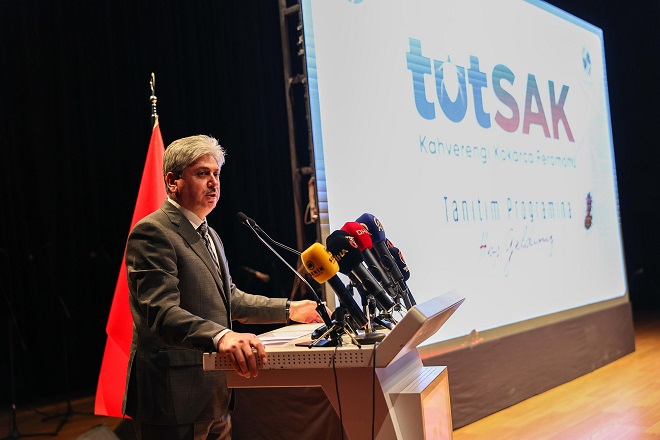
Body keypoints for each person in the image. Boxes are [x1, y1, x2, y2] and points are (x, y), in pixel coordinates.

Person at [122, 134, 323, 439]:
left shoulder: (210, 234)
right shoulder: (153, 232)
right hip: (173, 398)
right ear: (173, 181)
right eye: (202, 173)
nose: (213, 183)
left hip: (215, 394)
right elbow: (162, 312)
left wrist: (290, 309)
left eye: (216, 174)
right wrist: (221, 335)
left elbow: (231, 300)